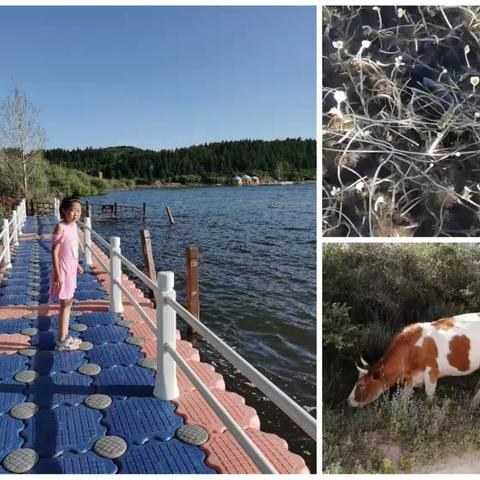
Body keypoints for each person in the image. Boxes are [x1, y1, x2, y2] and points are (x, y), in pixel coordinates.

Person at [49, 197, 84, 351]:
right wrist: (57, 274)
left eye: (79, 211)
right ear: (63, 210)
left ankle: (64, 336)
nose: (76, 214)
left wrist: (77, 265)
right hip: (62, 269)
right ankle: (62, 340)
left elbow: (72, 248)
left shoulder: (74, 226)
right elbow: (54, 252)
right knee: (65, 304)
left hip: (71, 269)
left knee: (68, 304)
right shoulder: (60, 227)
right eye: (72, 210)